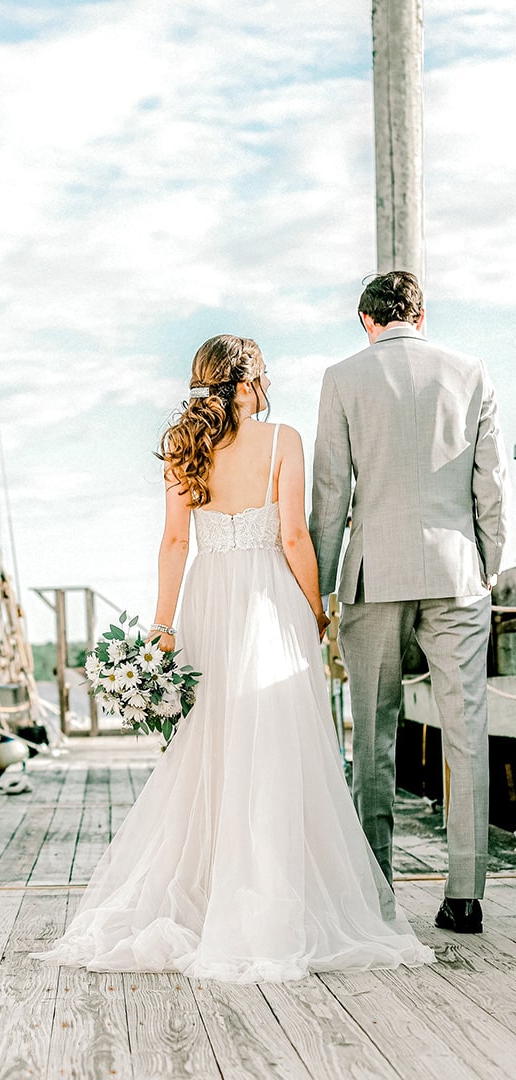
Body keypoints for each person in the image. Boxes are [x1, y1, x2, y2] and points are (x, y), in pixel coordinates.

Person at [37, 334, 433, 981]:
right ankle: (270, 888)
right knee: (276, 741)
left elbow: (172, 542)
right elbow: (295, 536)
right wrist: (317, 609)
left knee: (214, 742)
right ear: (251, 383)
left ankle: (211, 888)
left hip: (207, 600)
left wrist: (163, 628)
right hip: (268, 600)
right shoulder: (283, 441)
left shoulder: (183, 445)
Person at [310, 271, 509, 935]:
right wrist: (487, 566)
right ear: (421, 314)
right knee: (466, 734)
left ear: (365, 320)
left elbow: (331, 494)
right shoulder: (471, 372)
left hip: (375, 573)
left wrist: (320, 586)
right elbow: (492, 485)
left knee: (373, 736)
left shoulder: (343, 378)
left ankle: (375, 895)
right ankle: (464, 897)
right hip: (457, 571)